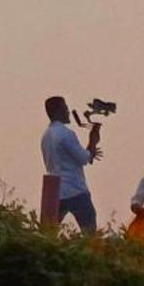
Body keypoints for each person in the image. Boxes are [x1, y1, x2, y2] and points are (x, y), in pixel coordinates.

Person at [42, 96, 102, 233]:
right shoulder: (66, 134)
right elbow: (84, 158)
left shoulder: (46, 136)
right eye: (66, 109)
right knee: (89, 231)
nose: (68, 112)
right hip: (75, 189)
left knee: (48, 233)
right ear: (58, 112)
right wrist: (93, 141)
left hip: (54, 190)